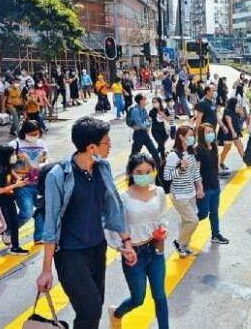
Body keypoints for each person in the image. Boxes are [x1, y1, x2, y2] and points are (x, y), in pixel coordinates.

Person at [36, 116, 138, 329]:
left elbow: (113, 206)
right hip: (70, 253)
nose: (110, 145)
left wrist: (126, 242)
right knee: (89, 308)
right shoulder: (58, 175)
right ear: (92, 147)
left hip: (96, 249)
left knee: (93, 308)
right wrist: (46, 270)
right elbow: (51, 224)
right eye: (106, 142)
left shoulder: (103, 168)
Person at [108, 153, 169, 329]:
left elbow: (162, 215)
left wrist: (162, 230)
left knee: (160, 296)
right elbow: (113, 227)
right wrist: (122, 248)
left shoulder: (158, 191)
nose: (144, 175)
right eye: (139, 172)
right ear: (131, 173)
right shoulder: (122, 197)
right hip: (134, 255)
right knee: (138, 299)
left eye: (148, 171)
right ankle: (117, 313)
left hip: (155, 249)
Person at [0, 145, 29, 255]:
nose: (14, 156)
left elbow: (15, 175)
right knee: (5, 226)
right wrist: (15, 185)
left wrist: (20, 180)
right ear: (5, 156)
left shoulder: (8, 166)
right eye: (12, 154)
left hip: (9, 199)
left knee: (14, 222)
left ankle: (15, 247)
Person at [164, 126, 203, 257]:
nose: (192, 138)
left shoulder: (191, 153)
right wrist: (180, 168)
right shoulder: (173, 155)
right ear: (181, 136)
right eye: (189, 135)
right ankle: (179, 243)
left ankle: (184, 248)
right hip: (179, 195)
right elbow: (167, 176)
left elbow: (195, 172)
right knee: (193, 221)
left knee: (186, 221)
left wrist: (200, 187)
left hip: (191, 193)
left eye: (193, 135)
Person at [9, 121, 49, 244]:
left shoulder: (42, 144)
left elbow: (46, 162)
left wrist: (44, 161)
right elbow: (7, 165)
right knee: (26, 213)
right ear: (25, 133)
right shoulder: (15, 144)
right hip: (22, 185)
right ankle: (9, 231)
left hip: (39, 184)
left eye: (37, 133)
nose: (34, 136)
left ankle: (39, 236)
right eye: (32, 134)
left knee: (41, 210)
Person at [196, 123, 229, 244]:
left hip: (215, 186)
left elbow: (215, 167)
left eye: (212, 132)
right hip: (205, 188)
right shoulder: (198, 149)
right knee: (203, 213)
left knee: (214, 212)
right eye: (207, 132)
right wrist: (199, 188)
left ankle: (216, 234)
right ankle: (187, 225)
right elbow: (196, 171)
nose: (210, 134)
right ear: (201, 135)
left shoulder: (214, 147)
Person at [128, 93, 162, 166]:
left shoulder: (144, 110)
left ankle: (160, 167)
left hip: (144, 134)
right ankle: (130, 169)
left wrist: (146, 126)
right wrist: (145, 127)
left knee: (154, 151)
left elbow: (149, 120)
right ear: (140, 101)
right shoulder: (135, 110)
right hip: (138, 134)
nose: (146, 100)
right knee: (134, 154)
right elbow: (139, 122)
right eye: (144, 99)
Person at [218, 97, 245, 170]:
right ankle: (220, 163)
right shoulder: (227, 111)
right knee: (227, 149)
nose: (237, 105)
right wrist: (233, 132)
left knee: (240, 147)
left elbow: (242, 117)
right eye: (236, 103)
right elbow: (229, 122)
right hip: (229, 133)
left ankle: (246, 161)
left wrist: (241, 111)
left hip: (235, 132)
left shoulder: (234, 110)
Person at [149, 97, 169, 164]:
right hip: (155, 130)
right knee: (161, 144)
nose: (155, 104)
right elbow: (149, 118)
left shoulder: (165, 110)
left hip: (164, 130)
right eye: (153, 102)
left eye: (156, 102)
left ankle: (154, 155)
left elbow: (169, 119)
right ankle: (163, 159)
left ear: (160, 102)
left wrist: (163, 115)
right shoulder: (152, 111)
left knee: (161, 145)